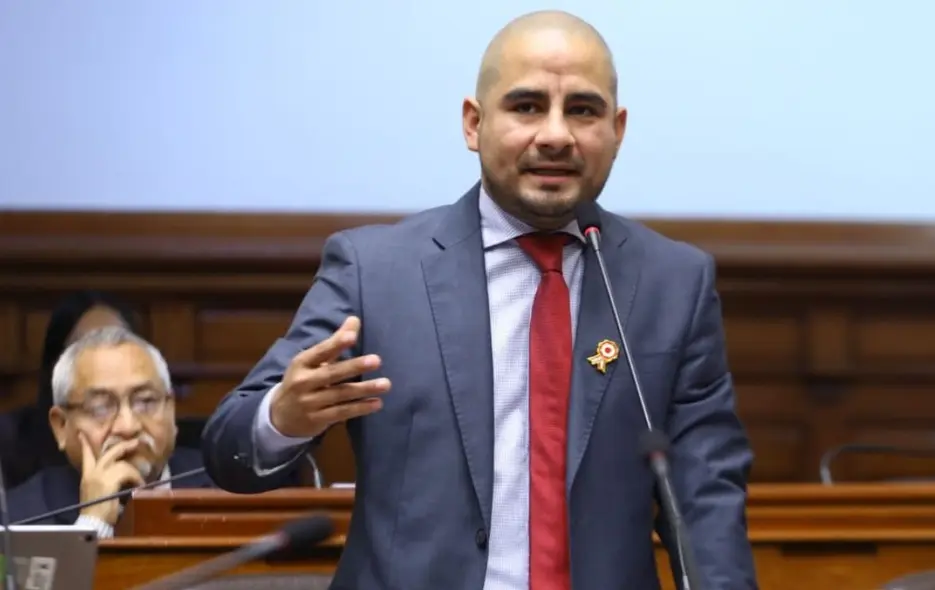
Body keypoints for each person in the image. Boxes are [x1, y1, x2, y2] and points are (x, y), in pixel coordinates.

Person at [202, 9, 756, 590]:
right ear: (473, 123)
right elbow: (229, 447)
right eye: (526, 106)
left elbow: (706, 500)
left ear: (617, 130)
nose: (556, 135)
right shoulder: (377, 272)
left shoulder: (674, 282)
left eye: (583, 111)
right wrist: (282, 419)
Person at [7, 326, 215, 538]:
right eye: (100, 408)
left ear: (170, 409)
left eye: (145, 402)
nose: (128, 426)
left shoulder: (225, 488)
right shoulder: (18, 517)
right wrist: (93, 522)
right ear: (61, 426)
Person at [0, 290, 140, 489]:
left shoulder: (161, 442)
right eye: (86, 348)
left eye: (117, 344)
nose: (104, 360)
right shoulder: (9, 444)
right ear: (56, 365)